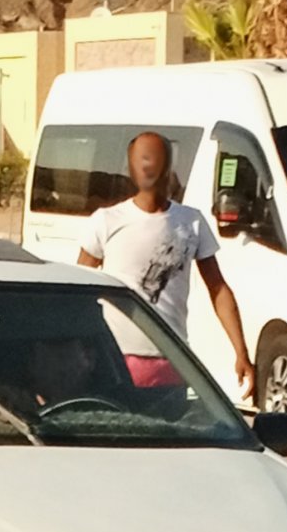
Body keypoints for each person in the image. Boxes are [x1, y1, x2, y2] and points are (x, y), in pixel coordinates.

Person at [77, 132, 254, 400]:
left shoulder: (191, 222)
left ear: (169, 168)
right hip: (115, 360)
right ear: (130, 169)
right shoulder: (106, 221)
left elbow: (218, 290)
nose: (149, 167)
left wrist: (241, 351)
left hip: (172, 359)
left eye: (156, 161)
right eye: (142, 160)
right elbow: (80, 289)